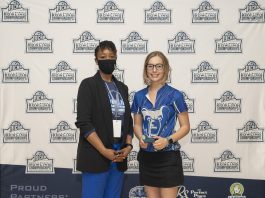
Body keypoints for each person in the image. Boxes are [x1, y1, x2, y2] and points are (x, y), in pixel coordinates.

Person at [75, 40, 133, 198]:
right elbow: (84, 123)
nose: (107, 59)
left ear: (116, 58)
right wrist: (103, 150)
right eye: (103, 56)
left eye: (111, 56)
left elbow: (128, 122)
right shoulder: (88, 85)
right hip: (96, 154)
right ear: (96, 60)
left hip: (119, 154)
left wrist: (128, 146)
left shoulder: (123, 88)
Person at [131, 51, 190, 198]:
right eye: (150, 66)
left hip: (168, 158)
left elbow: (185, 127)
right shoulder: (139, 96)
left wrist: (167, 140)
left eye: (158, 66)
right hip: (147, 157)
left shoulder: (175, 95)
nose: (154, 70)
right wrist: (140, 138)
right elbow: (137, 125)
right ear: (146, 69)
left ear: (165, 68)